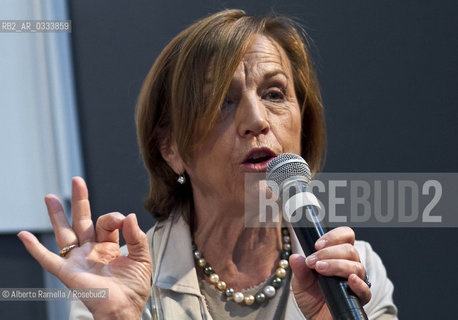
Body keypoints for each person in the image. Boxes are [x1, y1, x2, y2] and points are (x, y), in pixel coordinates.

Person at [18, 9, 397, 319]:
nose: (256, 120)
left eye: (274, 93)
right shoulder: (114, 282)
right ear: (170, 147)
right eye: (221, 102)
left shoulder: (355, 271)